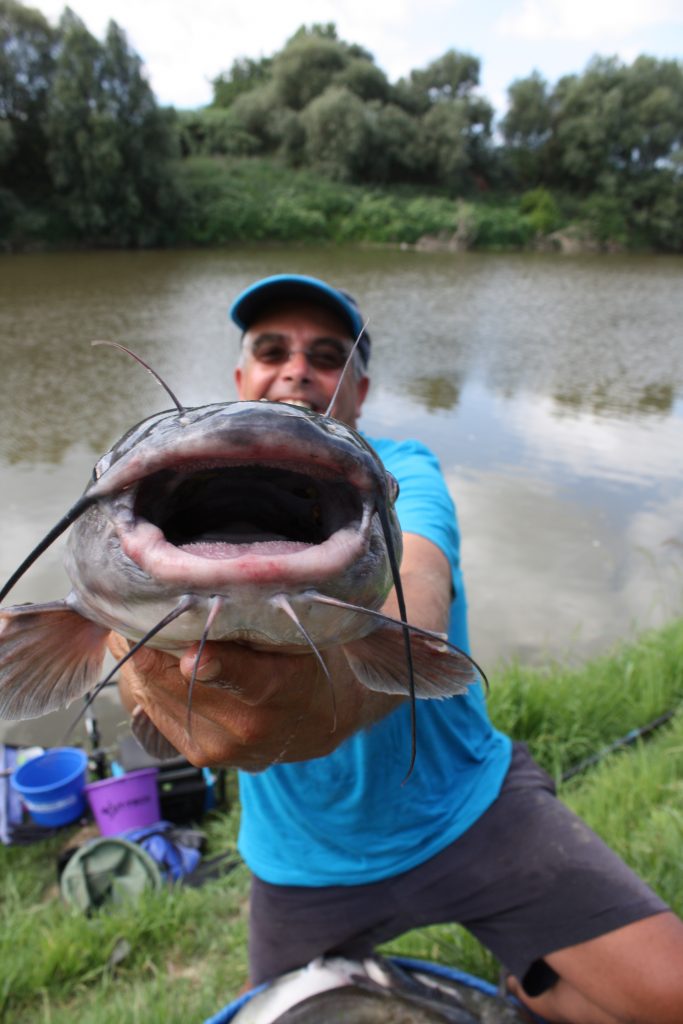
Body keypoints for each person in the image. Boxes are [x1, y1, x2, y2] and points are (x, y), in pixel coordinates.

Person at [112, 274, 683, 1024]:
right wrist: (140, 682)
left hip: (469, 807)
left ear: (358, 390)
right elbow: (110, 634)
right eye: (272, 350)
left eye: (325, 356)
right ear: (241, 377)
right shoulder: (173, 493)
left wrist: (331, 696)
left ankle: (528, 985)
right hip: (302, 860)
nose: (296, 370)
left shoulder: (397, 474)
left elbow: (418, 591)